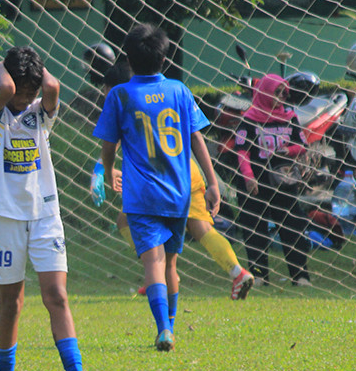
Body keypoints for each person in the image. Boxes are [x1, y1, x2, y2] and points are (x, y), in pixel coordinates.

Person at [0, 45, 108, 371]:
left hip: (46, 215)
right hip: (4, 217)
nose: (27, 98)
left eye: (30, 92)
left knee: (57, 297)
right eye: (23, 90)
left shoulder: (41, 113)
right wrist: (5, 66)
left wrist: (34, 75)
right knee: (11, 303)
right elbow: (3, 89)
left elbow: (52, 87)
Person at [93, 23, 221, 351]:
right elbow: (196, 138)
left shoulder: (120, 95)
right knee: (172, 263)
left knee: (154, 261)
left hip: (142, 195)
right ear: (164, 59)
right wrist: (212, 182)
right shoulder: (179, 91)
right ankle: (171, 327)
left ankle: (163, 328)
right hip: (178, 193)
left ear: (129, 60)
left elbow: (109, 146)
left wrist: (108, 172)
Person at [89, 65, 254, 301]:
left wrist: (100, 171)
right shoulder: (166, 94)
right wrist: (212, 182)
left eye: (105, 89)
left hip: (156, 179)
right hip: (187, 172)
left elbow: (113, 141)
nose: (104, 95)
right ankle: (237, 272)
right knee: (201, 227)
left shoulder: (125, 99)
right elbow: (194, 135)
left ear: (112, 88)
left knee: (127, 221)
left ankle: (158, 275)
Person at [232, 73, 312, 287]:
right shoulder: (249, 118)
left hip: (283, 181)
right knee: (254, 229)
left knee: (292, 226)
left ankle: (300, 275)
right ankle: (259, 275)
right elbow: (242, 151)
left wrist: (289, 150)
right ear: (265, 92)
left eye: (283, 93)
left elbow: (301, 145)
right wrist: (248, 178)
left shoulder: (290, 117)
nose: (280, 98)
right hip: (255, 183)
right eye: (276, 93)